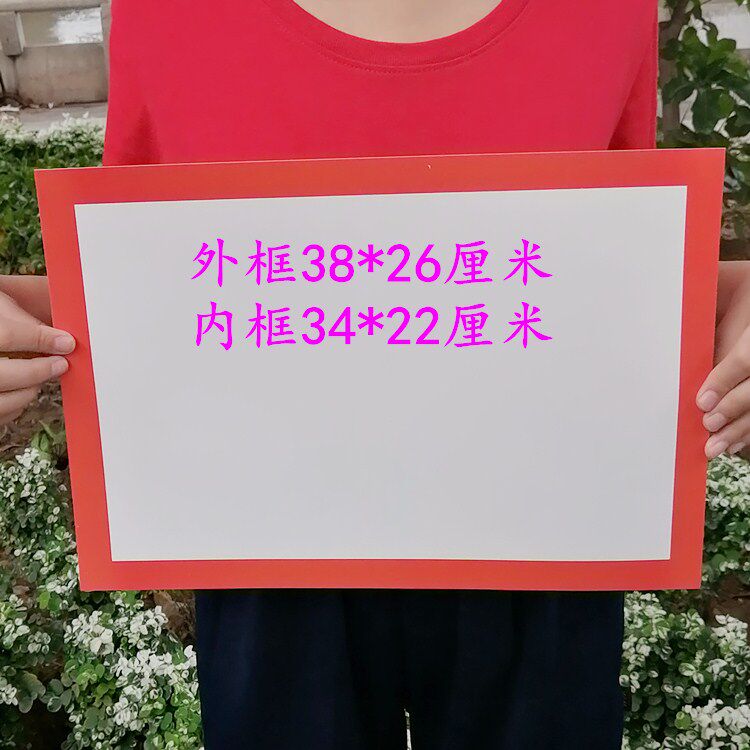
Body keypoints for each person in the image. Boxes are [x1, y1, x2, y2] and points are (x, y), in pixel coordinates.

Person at [0, 1, 748, 747]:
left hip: (539, 530)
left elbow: (602, 275)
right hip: (269, 540)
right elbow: (151, 284)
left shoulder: (606, 14)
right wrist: (25, 326)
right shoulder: (166, 17)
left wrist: (735, 302)